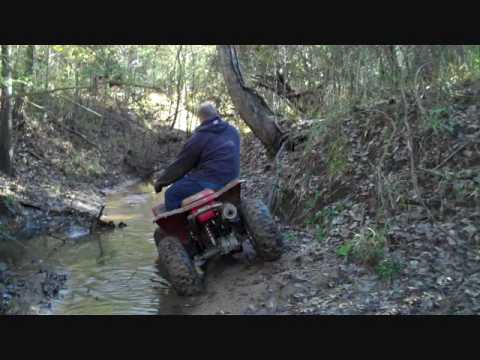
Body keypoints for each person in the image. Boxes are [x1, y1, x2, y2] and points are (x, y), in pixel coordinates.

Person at [154, 102, 240, 211]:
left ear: (201, 118)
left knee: (171, 194)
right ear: (216, 114)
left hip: (212, 181)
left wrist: (161, 182)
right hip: (233, 180)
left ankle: (184, 227)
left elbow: (181, 165)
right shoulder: (233, 131)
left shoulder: (199, 137)